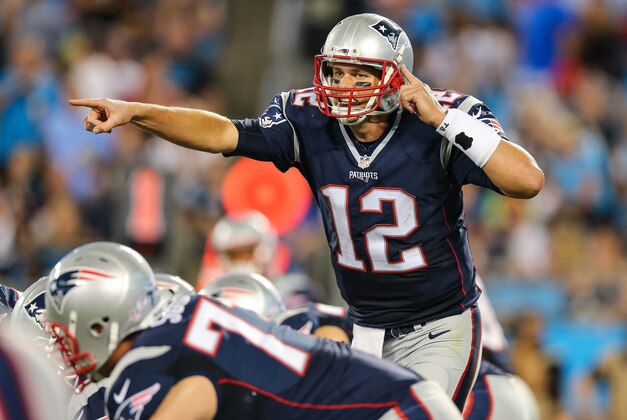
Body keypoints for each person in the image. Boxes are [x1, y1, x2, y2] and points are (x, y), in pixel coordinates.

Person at [69, 12, 544, 408]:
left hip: (440, 326)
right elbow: (222, 134)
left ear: (397, 77)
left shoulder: (440, 117)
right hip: (364, 325)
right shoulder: (309, 118)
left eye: (362, 75)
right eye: (337, 72)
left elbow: (527, 181)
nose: (344, 86)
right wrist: (137, 112)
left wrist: (442, 120)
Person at [45, 241, 462, 419]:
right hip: (405, 401)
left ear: (102, 321)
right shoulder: (191, 312)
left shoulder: (143, 361)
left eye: (66, 327)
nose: (64, 341)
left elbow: (200, 393)